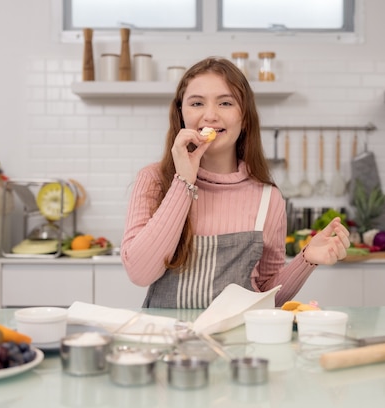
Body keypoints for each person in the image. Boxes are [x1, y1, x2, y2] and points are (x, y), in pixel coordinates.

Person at [121, 57, 350, 309]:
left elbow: (265, 296)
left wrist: (307, 259)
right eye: (197, 103)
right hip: (169, 342)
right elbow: (140, 273)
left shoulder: (267, 197)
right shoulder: (153, 180)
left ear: (245, 116)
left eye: (226, 103)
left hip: (237, 343)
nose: (210, 115)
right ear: (181, 113)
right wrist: (183, 181)